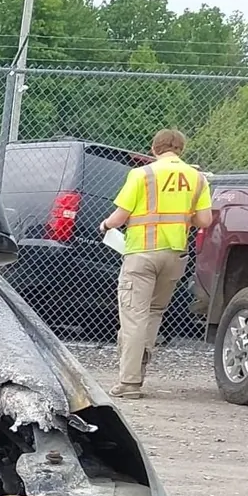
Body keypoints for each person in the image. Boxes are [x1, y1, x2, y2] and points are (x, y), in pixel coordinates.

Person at [100, 129, 212, 399]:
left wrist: (105, 225)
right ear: (181, 149)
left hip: (141, 253)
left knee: (134, 316)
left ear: (154, 148)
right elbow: (205, 220)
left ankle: (129, 382)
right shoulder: (197, 178)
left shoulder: (142, 174)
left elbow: (120, 216)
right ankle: (139, 367)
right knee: (153, 313)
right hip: (174, 255)